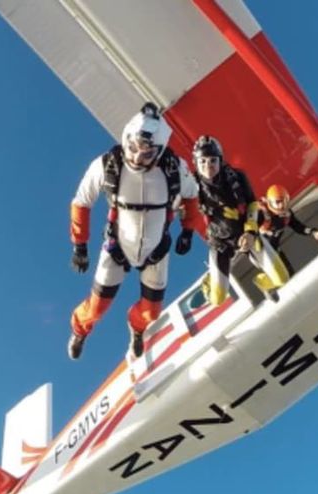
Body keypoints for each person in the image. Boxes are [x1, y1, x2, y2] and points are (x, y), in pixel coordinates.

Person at [67, 102, 197, 360]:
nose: (138, 158)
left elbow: (192, 196)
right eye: (134, 148)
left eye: (147, 154)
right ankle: (79, 331)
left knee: (151, 312)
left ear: (159, 151)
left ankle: (137, 329)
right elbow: (82, 201)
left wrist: (188, 231)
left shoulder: (174, 167)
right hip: (118, 247)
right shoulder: (108, 164)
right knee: (95, 308)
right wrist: (79, 245)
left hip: (156, 249)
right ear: (126, 139)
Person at [175, 135, 289, 305]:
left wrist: (250, 231)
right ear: (196, 163)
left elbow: (252, 204)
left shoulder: (237, 176)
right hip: (221, 243)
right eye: (202, 161)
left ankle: (263, 284)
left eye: (212, 160)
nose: (208, 166)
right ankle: (209, 282)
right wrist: (185, 230)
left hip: (247, 234)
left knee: (281, 278)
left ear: (220, 160)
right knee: (217, 299)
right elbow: (181, 208)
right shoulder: (191, 186)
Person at [258, 183, 318, 250]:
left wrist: (313, 231)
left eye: (283, 201)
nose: (281, 205)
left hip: (273, 249)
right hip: (259, 249)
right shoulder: (261, 213)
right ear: (270, 202)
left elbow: (299, 227)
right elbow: (252, 229)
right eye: (277, 202)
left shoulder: (287, 214)